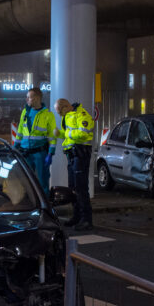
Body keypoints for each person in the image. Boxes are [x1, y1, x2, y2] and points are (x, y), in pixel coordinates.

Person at [54, 98, 95, 231]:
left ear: (65, 107)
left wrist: (65, 133)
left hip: (80, 154)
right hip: (72, 155)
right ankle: (77, 216)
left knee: (81, 188)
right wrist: (60, 134)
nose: (60, 115)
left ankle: (86, 220)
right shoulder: (68, 116)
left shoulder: (82, 115)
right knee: (73, 188)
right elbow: (69, 137)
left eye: (59, 112)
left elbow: (84, 134)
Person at [14, 87, 57, 195]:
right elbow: (20, 131)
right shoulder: (25, 111)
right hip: (25, 153)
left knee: (43, 181)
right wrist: (15, 147)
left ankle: (45, 205)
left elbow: (52, 137)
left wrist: (50, 154)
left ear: (37, 98)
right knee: (25, 181)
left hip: (40, 153)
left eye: (29, 97)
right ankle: (29, 204)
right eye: (26, 97)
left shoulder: (48, 115)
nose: (26, 99)